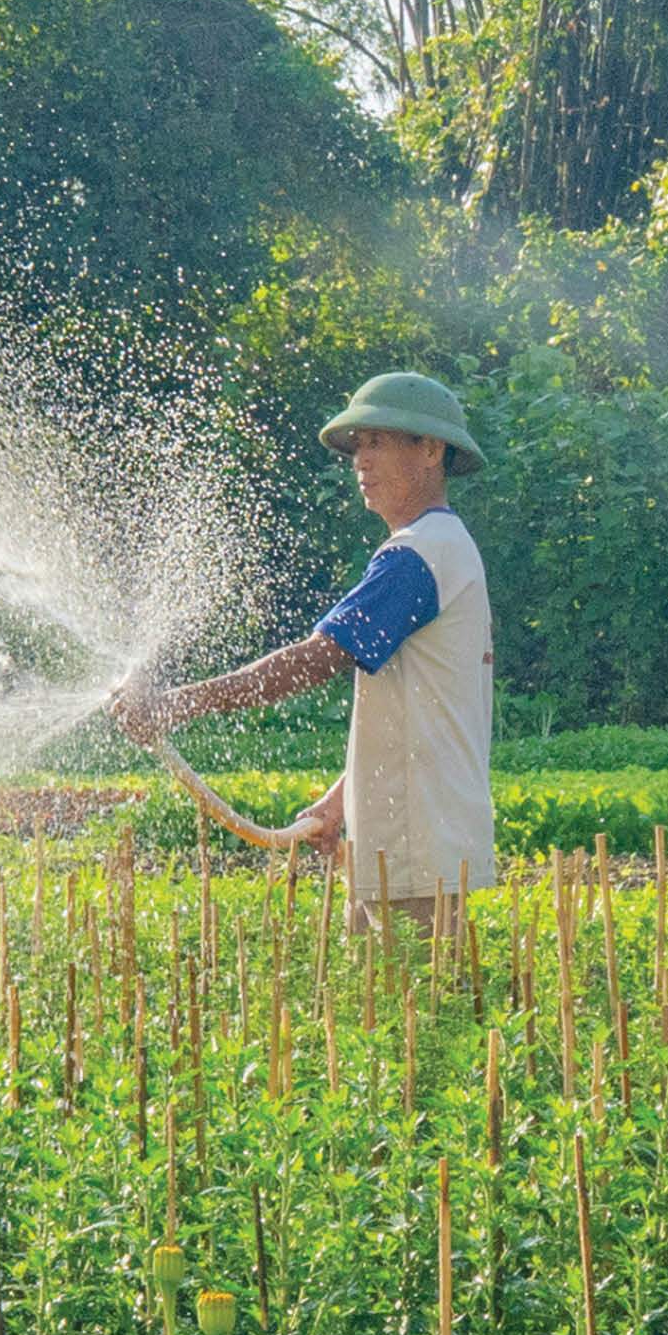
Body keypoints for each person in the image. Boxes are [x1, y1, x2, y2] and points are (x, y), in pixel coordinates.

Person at [110, 370, 494, 932]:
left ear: (431, 449)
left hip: (414, 848)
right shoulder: (444, 549)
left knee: (406, 1003)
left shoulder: (419, 556)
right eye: (357, 446)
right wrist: (342, 800)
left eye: (379, 442)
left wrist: (176, 705)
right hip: (408, 840)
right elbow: (419, 714)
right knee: (390, 1004)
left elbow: (318, 658)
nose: (361, 460)